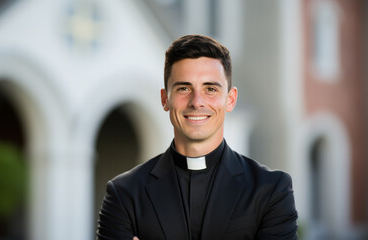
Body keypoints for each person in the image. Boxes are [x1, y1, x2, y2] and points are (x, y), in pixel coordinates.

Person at [96, 35, 298, 240]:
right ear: (165, 99)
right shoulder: (124, 194)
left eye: (210, 89)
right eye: (184, 88)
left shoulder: (271, 190)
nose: (197, 101)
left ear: (231, 99)